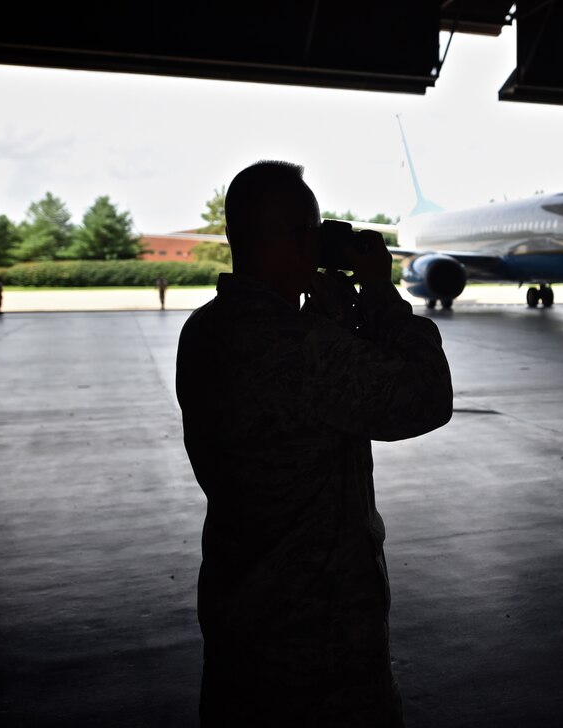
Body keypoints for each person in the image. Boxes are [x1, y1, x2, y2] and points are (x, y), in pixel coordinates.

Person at [175, 160, 452, 726]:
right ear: (300, 237)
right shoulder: (299, 346)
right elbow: (425, 396)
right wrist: (380, 294)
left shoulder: (206, 330)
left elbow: (315, 401)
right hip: (317, 639)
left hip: (241, 610)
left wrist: (328, 316)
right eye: (316, 228)